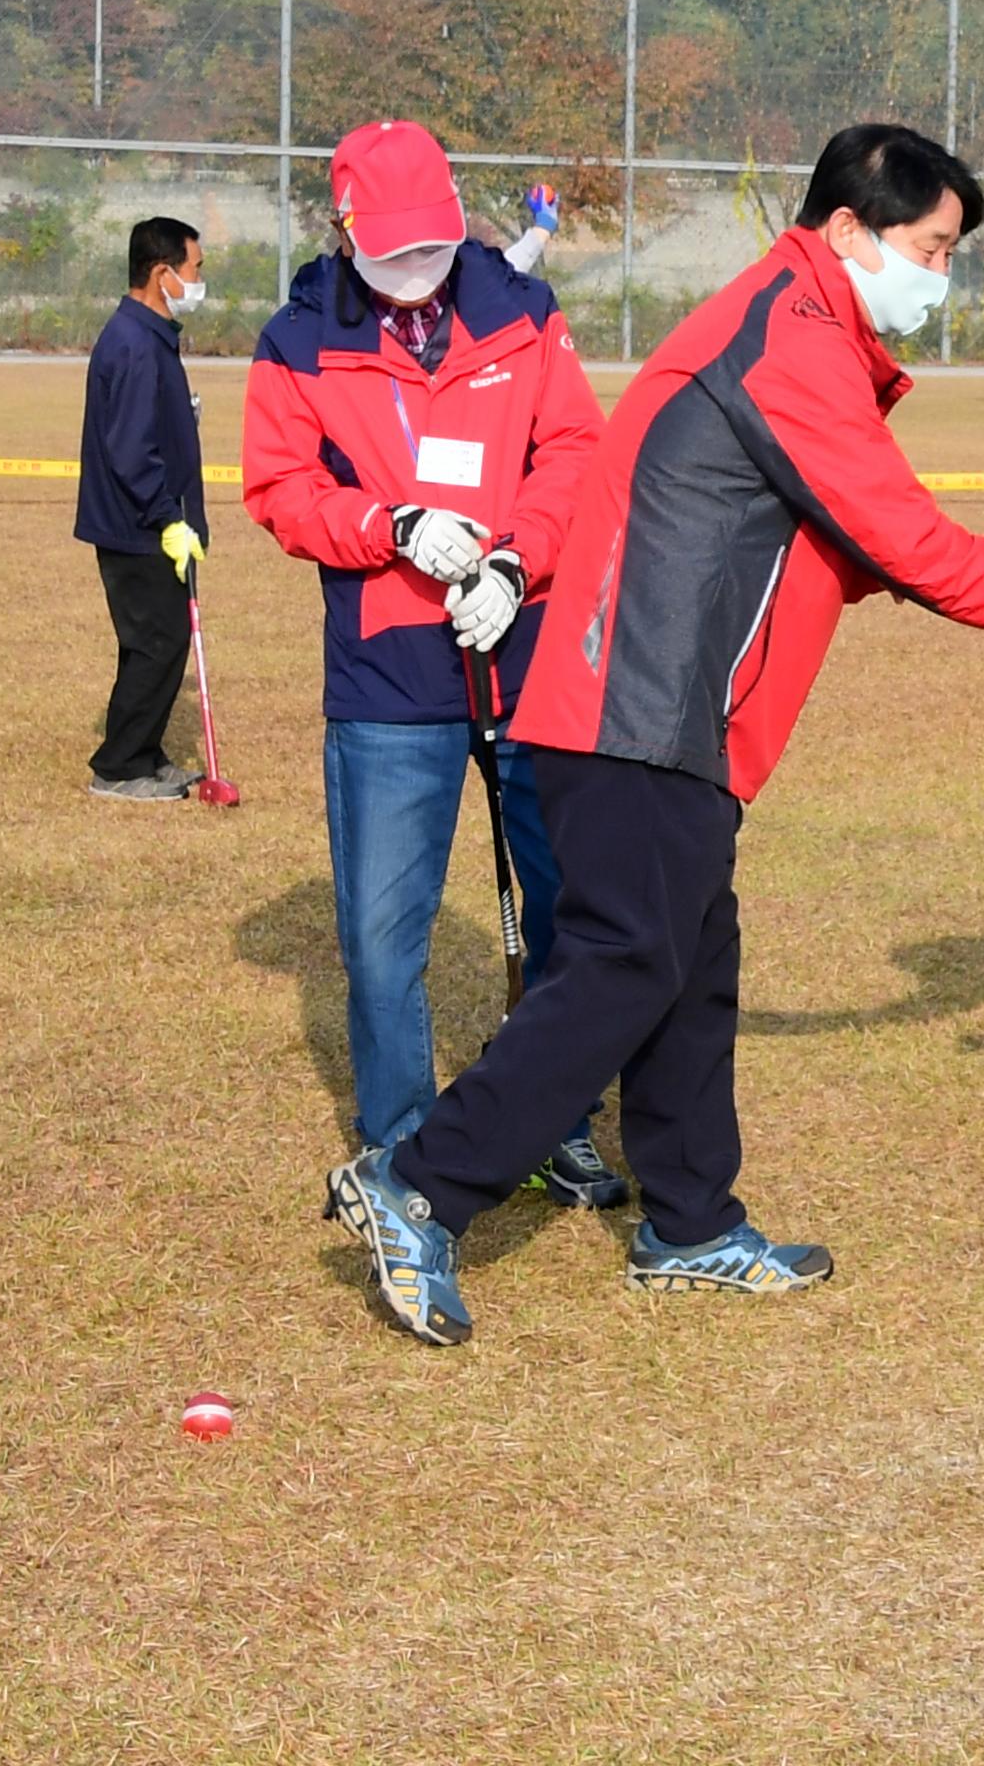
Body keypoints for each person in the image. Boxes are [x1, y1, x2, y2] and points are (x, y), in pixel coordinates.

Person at [321, 123, 984, 1345]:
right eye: (932, 247)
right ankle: (421, 1178)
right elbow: (897, 530)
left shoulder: (793, 326)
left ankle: (689, 1222)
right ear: (849, 229)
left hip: (662, 714)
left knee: (693, 963)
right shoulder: (792, 341)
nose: (940, 275)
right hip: (632, 705)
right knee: (626, 965)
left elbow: (841, 543)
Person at [244, 119, 621, 1202]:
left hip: (525, 647)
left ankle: (557, 1113)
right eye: (391, 258)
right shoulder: (298, 339)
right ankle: (404, 1142)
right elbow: (279, 489)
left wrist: (517, 559)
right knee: (380, 931)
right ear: (343, 229)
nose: (415, 283)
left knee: (562, 904)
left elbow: (576, 453)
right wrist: (389, 524)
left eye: (431, 253)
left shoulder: (522, 309)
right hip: (387, 673)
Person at [77, 216, 210, 801]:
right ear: (163, 274)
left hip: (150, 522)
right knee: (157, 642)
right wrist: (168, 520)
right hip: (138, 528)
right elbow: (130, 451)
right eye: (194, 269)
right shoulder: (133, 344)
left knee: (161, 640)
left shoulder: (150, 337)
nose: (199, 279)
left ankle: (147, 754)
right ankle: (120, 767)